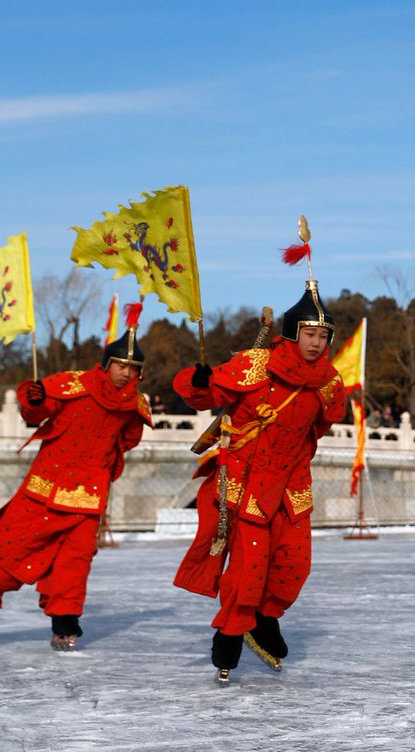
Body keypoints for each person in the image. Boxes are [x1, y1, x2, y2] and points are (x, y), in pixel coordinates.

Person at [172, 277, 348, 684]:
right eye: (310, 333)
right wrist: (196, 382)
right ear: (292, 333)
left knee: (295, 566)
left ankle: (265, 618)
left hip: (293, 485)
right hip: (246, 480)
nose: (317, 343)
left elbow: (320, 426)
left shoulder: (330, 381)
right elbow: (204, 393)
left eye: (324, 335)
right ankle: (230, 635)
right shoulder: (255, 364)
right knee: (249, 569)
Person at [0, 325, 151, 651]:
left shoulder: (136, 405)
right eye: (121, 365)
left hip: (88, 494)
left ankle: (65, 624)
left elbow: (128, 440)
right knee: (7, 550)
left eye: (134, 368)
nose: (127, 373)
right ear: (105, 363)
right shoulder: (71, 384)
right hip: (45, 488)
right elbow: (36, 412)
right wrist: (33, 398)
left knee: (76, 560)